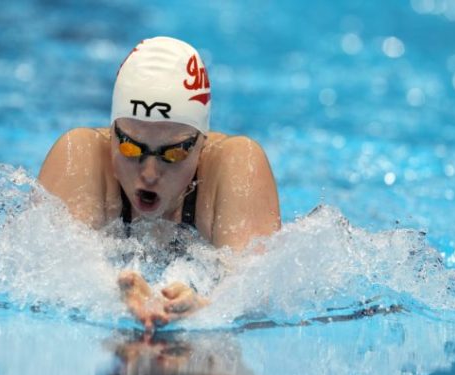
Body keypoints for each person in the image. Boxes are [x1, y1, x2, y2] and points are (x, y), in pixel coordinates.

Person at [38, 36, 280, 332]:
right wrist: (112, 297)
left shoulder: (237, 164)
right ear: (112, 132)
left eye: (174, 152)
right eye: (130, 147)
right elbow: (44, 280)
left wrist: (208, 310)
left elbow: (259, 296)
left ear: (201, 144)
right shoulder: (79, 156)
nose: (150, 173)